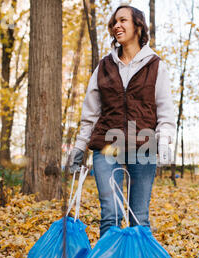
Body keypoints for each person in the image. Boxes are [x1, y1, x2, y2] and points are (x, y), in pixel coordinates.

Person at [69, 5, 176, 238]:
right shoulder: (104, 66)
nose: (117, 25)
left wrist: (165, 142)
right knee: (110, 214)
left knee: (139, 217)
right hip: (108, 145)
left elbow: (165, 112)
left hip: (144, 144)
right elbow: (90, 113)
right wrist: (79, 146)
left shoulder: (156, 66)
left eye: (123, 20)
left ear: (138, 26)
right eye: (114, 22)